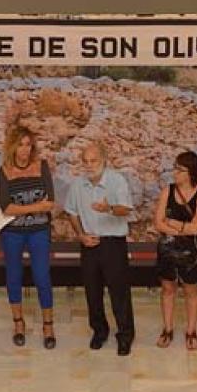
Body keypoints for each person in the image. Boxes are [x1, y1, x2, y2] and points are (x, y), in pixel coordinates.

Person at [65, 142, 135, 355]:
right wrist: (80, 235)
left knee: (119, 292)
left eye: (93, 161)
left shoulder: (117, 181)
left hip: (113, 243)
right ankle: (99, 331)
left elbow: (126, 209)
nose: (89, 165)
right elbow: (71, 212)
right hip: (89, 243)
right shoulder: (77, 184)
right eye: (85, 161)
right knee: (92, 292)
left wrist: (109, 208)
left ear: (104, 161)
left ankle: (125, 335)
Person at [0, 126, 56, 349]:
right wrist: (36, 207)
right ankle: (18, 324)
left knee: (42, 277)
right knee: (14, 276)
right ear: (12, 146)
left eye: (28, 145)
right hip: (12, 233)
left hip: (39, 231)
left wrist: (22, 208)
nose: (24, 149)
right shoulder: (4, 171)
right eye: (20, 145)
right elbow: (6, 208)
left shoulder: (42, 166)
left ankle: (48, 326)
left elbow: (50, 203)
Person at [153, 151, 197, 351]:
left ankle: (191, 331)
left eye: (180, 169)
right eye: (175, 167)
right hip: (167, 250)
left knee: (191, 290)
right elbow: (158, 223)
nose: (175, 172)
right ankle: (167, 329)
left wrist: (174, 223)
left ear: (191, 172)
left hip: (191, 254)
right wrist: (182, 229)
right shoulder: (167, 191)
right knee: (168, 288)